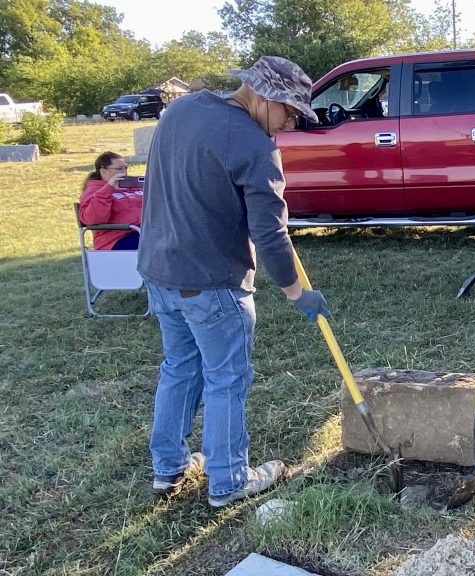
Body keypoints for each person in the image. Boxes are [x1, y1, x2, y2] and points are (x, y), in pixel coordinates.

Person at [138, 56, 331, 508]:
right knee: (226, 379)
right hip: (212, 282)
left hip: (159, 271)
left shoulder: (181, 110)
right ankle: (227, 480)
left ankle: (168, 468)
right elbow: (270, 233)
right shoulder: (254, 145)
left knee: (179, 367)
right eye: (288, 113)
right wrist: (298, 293)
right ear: (265, 97)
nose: (285, 126)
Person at [78, 152, 143, 250]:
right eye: (119, 169)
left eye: (125, 167)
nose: (124, 172)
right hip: (116, 239)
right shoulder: (94, 190)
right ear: (104, 171)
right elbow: (92, 219)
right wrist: (109, 188)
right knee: (161, 241)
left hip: (146, 231)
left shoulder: (134, 186)